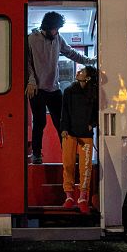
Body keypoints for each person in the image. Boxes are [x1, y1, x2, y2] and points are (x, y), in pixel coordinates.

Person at [26, 11, 95, 165]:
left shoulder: (57, 38)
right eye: (54, 28)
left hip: (53, 87)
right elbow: (27, 62)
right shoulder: (31, 39)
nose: (56, 32)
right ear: (47, 26)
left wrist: (89, 61)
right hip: (37, 88)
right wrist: (31, 81)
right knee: (40, 122)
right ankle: (37, 154)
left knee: (62, 122)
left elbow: (70, 53)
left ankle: (68, 153)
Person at [60, 65, 99, 214]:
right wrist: (63, 129)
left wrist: (92, 125)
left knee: (85, 167)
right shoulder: (69, 91)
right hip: (69, 133)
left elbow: (97, 112)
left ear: (88, 77)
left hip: (85, 134)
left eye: (82, 71)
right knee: (68, 164)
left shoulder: (93, 94)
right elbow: (65, 112)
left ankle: (83, 197)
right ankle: (69, 196)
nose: (78, 72)